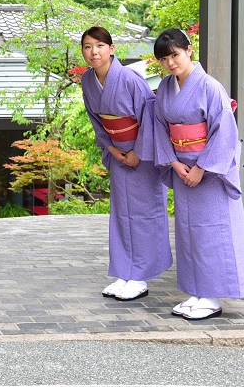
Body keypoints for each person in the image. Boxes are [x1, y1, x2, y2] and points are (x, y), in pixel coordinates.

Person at [151, 28, 244, 320]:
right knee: (188, 232)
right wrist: (173, 162)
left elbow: (224, 133)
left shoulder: (210, 87)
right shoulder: (167, 89)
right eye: (164, 58)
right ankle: (196, 292)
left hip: (209, 173)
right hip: (183, 169)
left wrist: (199, 168)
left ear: (189, 50)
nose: (171, 63)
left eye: (175, 55)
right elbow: (160, 126)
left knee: (212, 232)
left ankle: (212, 297)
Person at [79, 26, 172, 302]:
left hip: (142, 155)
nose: (93, 52)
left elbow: (150, 116)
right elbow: (97, 121)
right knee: (121, 214)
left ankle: (140, 276)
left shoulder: (130, 79)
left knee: (144, 214)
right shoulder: (87, 81)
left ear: (111, 49)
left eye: (99, 45)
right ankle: (125, 272)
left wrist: (137, 152)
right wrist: (111, 148)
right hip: (118, 152)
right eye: (87, 47)